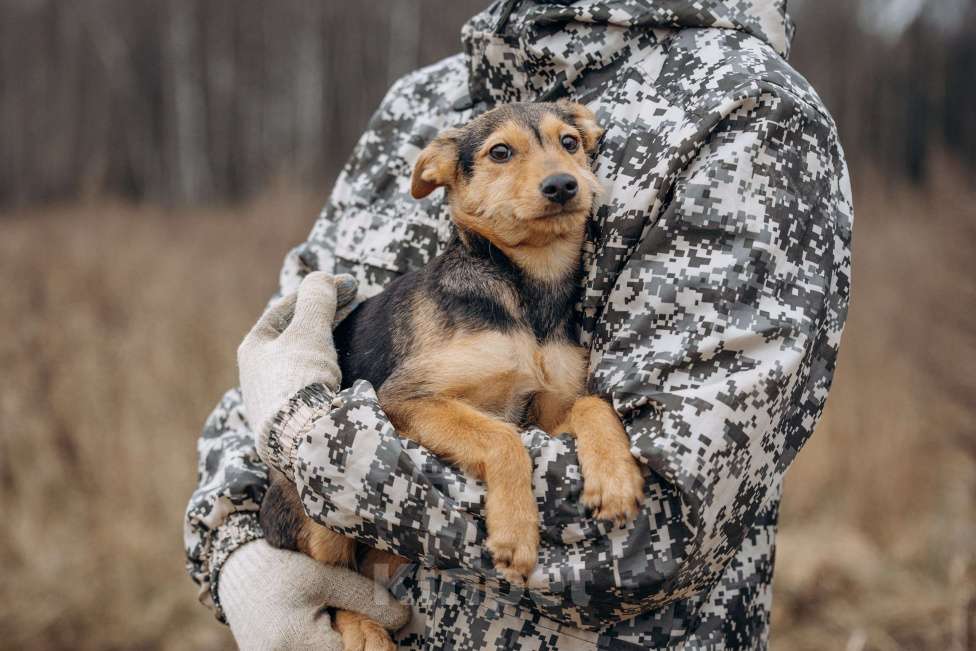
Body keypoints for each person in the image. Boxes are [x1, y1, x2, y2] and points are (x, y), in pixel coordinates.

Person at [184, 0, 853, 648]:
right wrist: (236, 557)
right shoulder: (420, 100)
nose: (556, 174)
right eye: (505, 155)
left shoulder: (743, 110)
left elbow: (665, 523)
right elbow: (274, 366)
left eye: (568, 148)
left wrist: (316, 444)